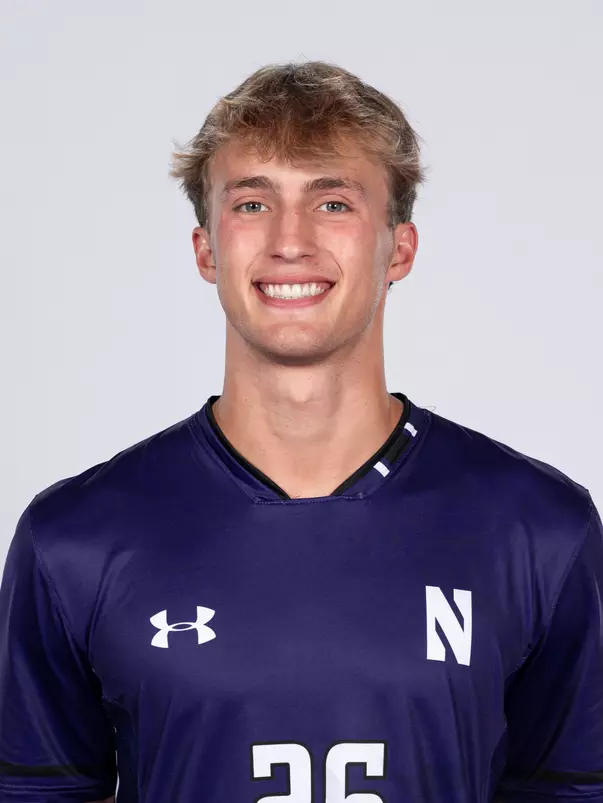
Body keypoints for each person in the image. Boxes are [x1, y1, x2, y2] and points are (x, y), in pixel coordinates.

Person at [0, 60, 601, 803]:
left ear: (399, 248)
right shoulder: (74, 540)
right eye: (251, 203)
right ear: (205, 249)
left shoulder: (538, 529)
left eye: (333, 203)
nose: (289, 240)